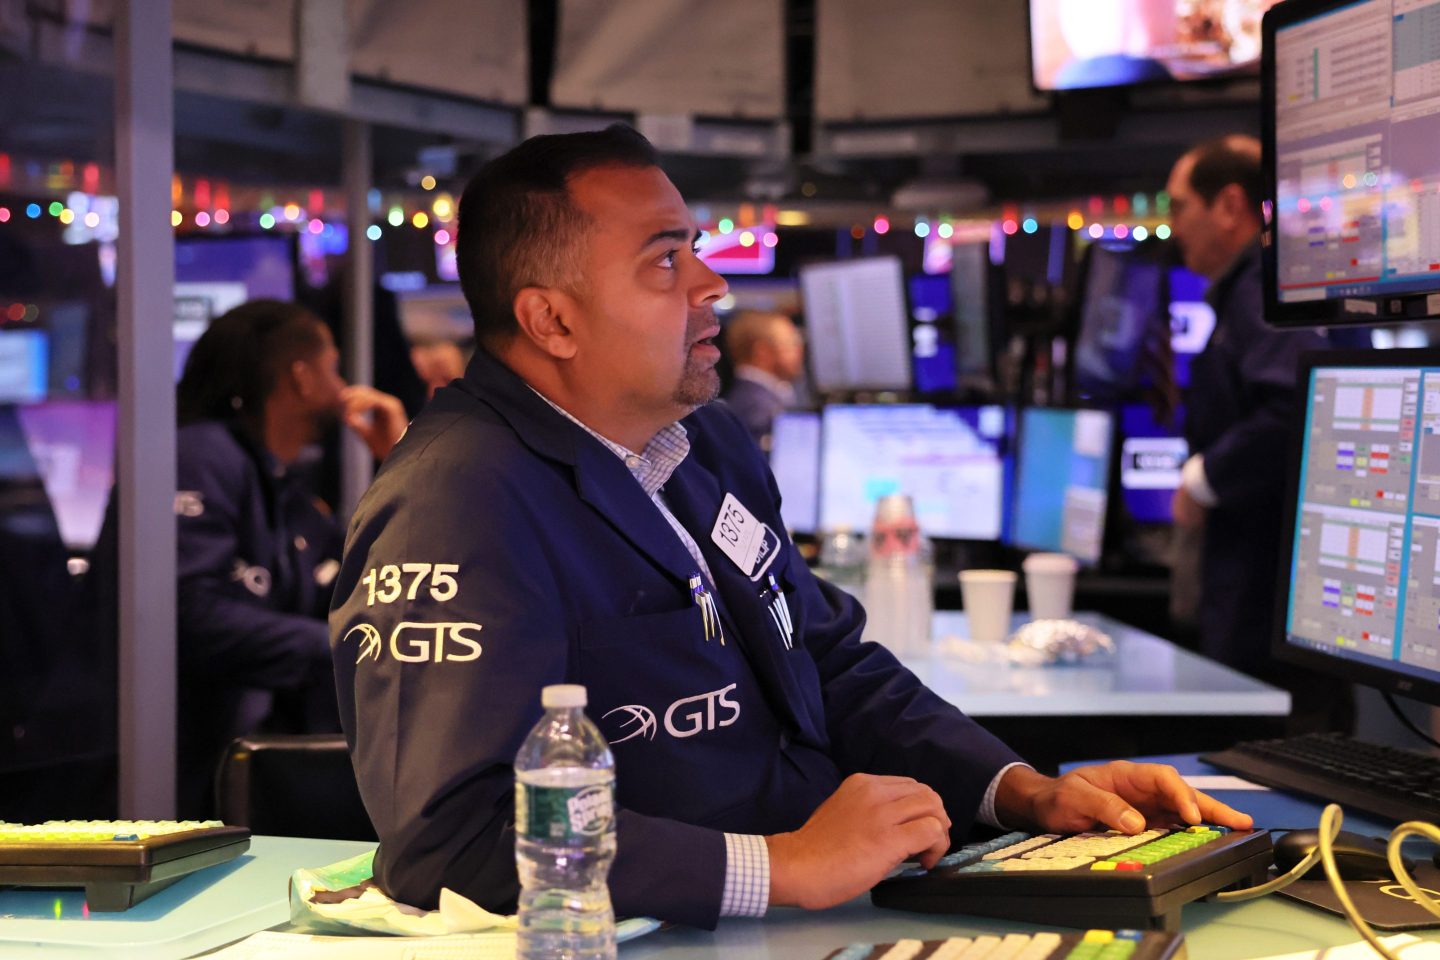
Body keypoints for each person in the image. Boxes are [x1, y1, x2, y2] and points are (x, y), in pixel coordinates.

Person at [331, 125, 1251, 930]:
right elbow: (451, 840)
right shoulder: (458, 499)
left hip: (818, 915)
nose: (712, 284)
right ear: (552, 319)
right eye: (665, 259)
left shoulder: (703, 443)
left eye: (694, 248)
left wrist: (1022, 792)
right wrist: (779, 868)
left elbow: (830, 664)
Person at [174, 299, 406, 816]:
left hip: (254, 762)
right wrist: (341, 644)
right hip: (186, 770)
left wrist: (401, 464)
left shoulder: (283, 487)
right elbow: (188, 611)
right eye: (333, 367)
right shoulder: (204, 456)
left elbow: (366, 584)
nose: (342, 384)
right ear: (302, 379)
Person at [1165, 136, 1337, 700]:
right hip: (1268, 591)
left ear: (1230, 205)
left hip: (1269, 596)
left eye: (1179, 207)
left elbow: (1296, 403)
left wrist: (1203, 479)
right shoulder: (1263, 282)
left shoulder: (1265, 284)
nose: (1174, 226)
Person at [721, 310, 806, 450]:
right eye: (792, 344)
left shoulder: (741, 400)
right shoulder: (760, 411)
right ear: (763, 352)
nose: (800, 351)